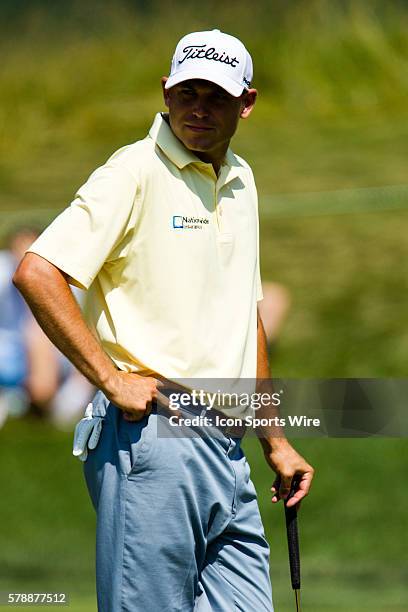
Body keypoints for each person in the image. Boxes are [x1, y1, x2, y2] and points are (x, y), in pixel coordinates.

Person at [14, 29, 314, 611]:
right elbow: (37, 272)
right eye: (187, 92)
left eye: (217, 96)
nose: (199, 107)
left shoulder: (242, 180)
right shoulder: (132, 171)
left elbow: (243, 316)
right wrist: (110, 378)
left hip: (228, 449)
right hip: (152, 435)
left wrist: (273, 439)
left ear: (245, 104)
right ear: (166, 92)